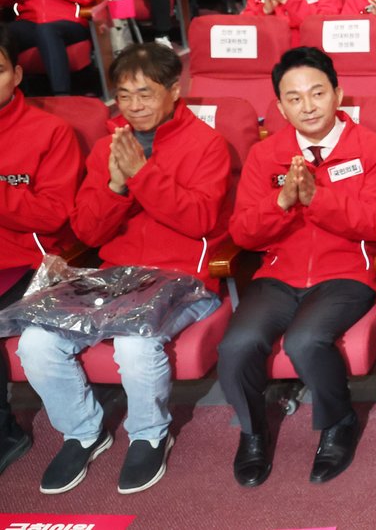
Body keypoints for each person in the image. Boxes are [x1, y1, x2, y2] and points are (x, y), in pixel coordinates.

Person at [17, 43, 231, 494]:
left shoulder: (207, 144)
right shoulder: (107, 146)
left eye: (146, 94)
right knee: (35, 341)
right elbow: (89, 233)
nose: (134, 106)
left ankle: (149, 434)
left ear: (175, 90)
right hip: (115, 278)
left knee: (136, 344)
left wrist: (141, 176)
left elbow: (201, 220)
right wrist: (115, 184)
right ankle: (83, 430)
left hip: (183, 279)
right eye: (124, 95)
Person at [219, 47, 376, 487]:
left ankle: (338, 422)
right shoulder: (267, 156)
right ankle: (252, 431)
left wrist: (319, 199)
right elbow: (243, 233)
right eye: (294, 98)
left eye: (317, 93)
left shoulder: (368, 148)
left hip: (346, 274)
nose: (308, 105)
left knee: (306, 339)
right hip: (279, 276)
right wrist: (282, 203)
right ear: (279, 107)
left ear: (337, 93)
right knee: (237, 344)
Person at [0, 23, 83, 475]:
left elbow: (52, 216)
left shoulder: (49, 131)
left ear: (15, 74)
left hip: (29, 264)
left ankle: (5, 432)